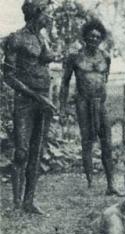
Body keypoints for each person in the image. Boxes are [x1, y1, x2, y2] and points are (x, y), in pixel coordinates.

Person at [2, 0, 57, 214]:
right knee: (22, 152)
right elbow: (8, 76)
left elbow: (45, 59)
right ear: (37, 13)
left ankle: (29, 201)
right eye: (47, 13)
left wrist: (45, 98)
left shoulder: (41, 38)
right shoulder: (17, 38)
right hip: (26, 101)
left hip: (43, 100)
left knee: (37, 152)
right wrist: (36, 96)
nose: (50, 17)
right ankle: (17, 203)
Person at [59, 19, 119, 195]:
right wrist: (62, 107)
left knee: (107, 143)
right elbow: (64, 83)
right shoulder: (75, 57)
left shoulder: (105, 57)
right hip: (83, 103)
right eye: (91, 36)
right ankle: (91, 184)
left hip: (100, 103)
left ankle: (111, 185)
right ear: (85, 37)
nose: (94, 39)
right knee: (87, 142)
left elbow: (104, 79)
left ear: (101, 39)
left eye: (97, 37)